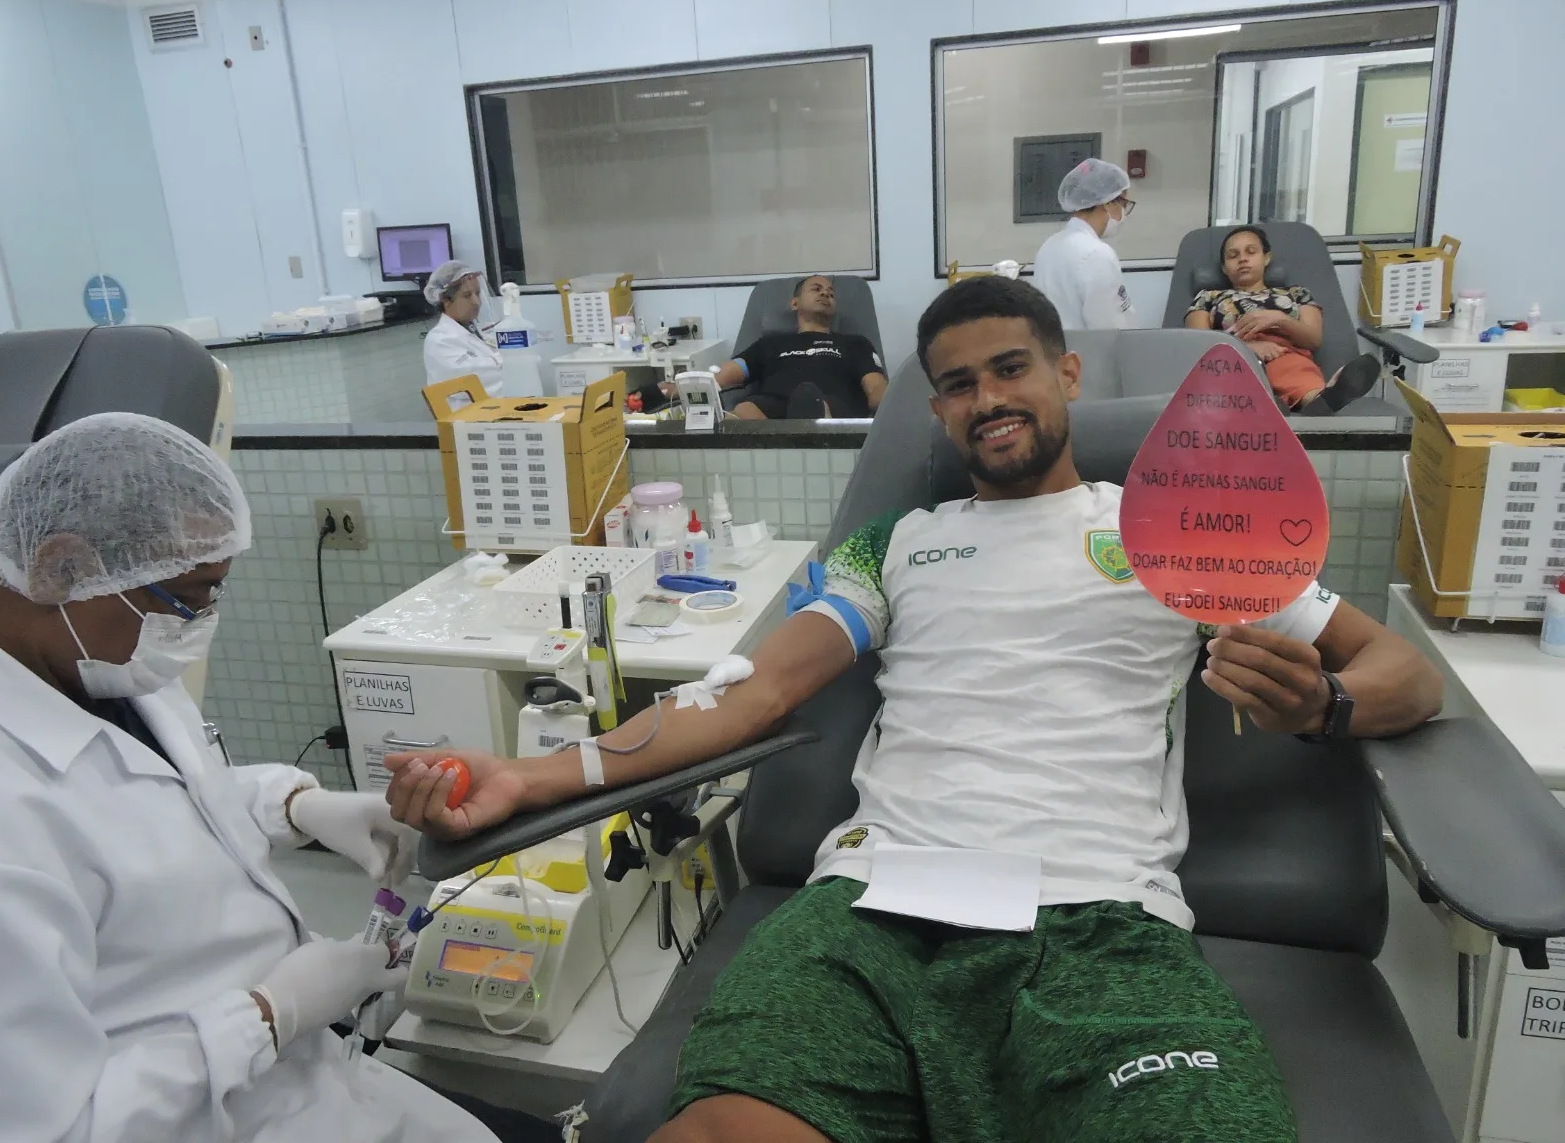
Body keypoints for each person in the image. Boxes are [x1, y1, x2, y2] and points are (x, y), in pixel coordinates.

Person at [386, 277, 1444, 1143]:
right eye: (955, 384)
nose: (985, 397)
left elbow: (1407, 673)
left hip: (1095, 924)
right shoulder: (889, 544)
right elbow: (754, 689)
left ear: (1065, 374)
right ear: (933, 408)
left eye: (1009, 368)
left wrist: (1328, 705)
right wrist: (530, 776)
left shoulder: (1178, 530)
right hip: (870, 915)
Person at [0, 413, 552, 1142]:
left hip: (305, 1079)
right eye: (190, 594)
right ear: (60, 566)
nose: (201, 619)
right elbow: (50, 1130)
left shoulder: (94, 655)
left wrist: (299, 805)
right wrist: (268, 1016)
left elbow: (161, 800)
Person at [1185, 225, 1381, 415]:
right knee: (1232, 377)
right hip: (1232, 359)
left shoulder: (1296, 294)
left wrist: (1279, 319)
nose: (1242, 259)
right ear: (1224, 268)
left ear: (1266, 258)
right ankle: (1264, 404)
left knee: (1296, 372)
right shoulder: (1208, 297)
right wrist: (1247, 347)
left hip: (1284, 354)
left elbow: (1313, 339)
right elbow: (1199, 343)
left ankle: (1320, 401)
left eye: (1251, 252)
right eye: (1233, 255)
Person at [713, 275, 887, 419]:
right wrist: (697, 388)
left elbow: (876, 386)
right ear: (794, 303)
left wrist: (886, 411)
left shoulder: (856, 343)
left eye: (831, 293)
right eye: (816, 289)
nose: (826, 294)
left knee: (816, 404)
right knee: (745, 410)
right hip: (774, 405)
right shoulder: (769, 343)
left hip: (832, 405)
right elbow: (733, 370)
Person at [1031, 157, 1139, 331]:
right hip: (1091, 355)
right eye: (1124, 204)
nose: (1124, 213)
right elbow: (1111, 326)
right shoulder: (1096, 253)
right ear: (1108, 203)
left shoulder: (1049, 246)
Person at [423, 260, 504, 396]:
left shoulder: (477, 332)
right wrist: (512, 360)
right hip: (469, 415)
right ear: (446, 300)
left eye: (477, 293)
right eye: (467, 296)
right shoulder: (440, 340)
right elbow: (477, 378)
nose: (476, 302)